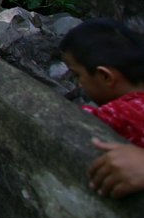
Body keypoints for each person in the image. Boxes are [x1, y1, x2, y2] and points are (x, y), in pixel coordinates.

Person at [61, 18, 144, 146]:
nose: (79, 85)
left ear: (105, 76)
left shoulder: (118, 114)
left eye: (77, 75)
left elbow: (71, 120)